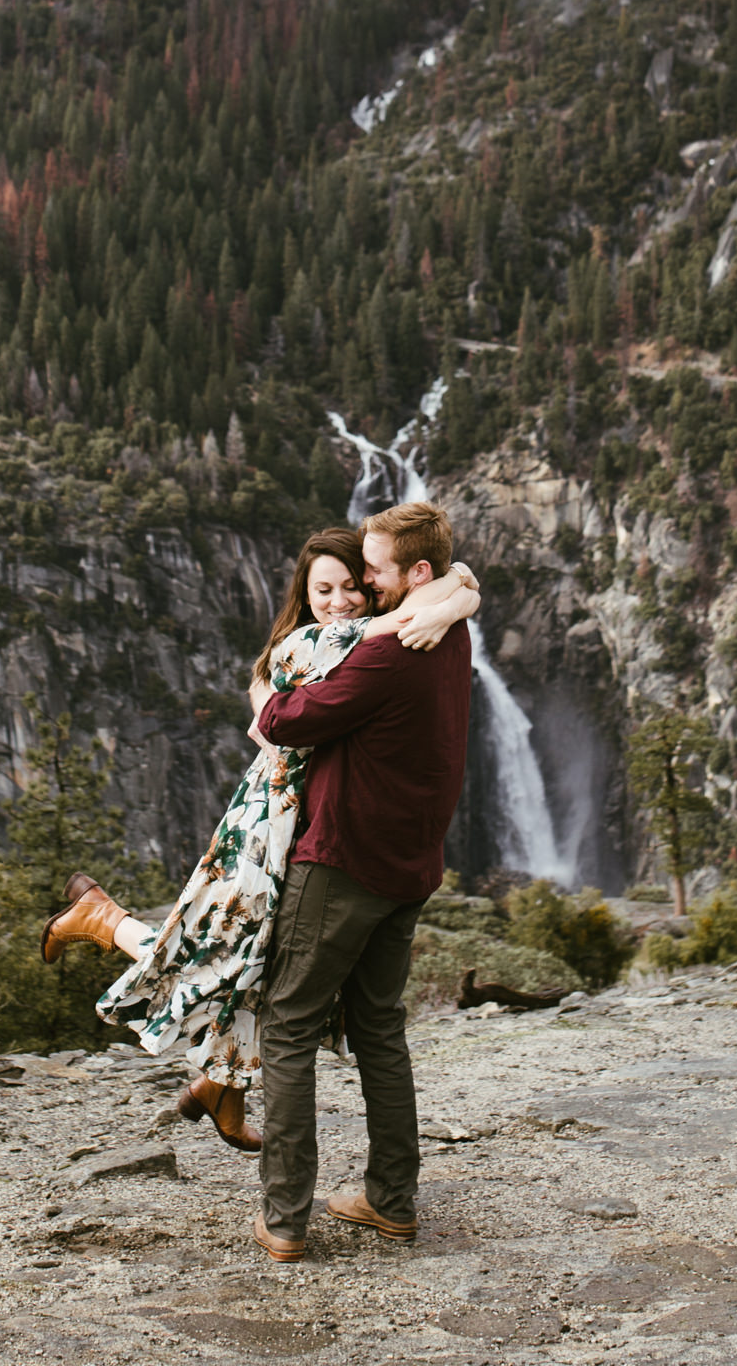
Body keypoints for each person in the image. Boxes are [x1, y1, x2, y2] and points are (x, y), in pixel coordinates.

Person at [38, 522, 479, 1154]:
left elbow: (410, 603)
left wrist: (457, 593)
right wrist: (456, 596)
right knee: (219, 952)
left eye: (354, 585)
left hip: (310, 819)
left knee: (255, 960)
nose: (341, 600)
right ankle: (103, 921)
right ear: (304, 594)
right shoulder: (309, 647)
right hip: (269, 822)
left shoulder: (343, 638)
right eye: (322, 589)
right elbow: (368, 635)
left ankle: (222, 1084)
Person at [249, 497, 473, 1262]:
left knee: (286, 1025)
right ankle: (391, 1201)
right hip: (412, 863)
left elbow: (283, 721)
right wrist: (459, 589)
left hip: (345, 861)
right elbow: (460, 580)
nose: (365, 588)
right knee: (378, 1028)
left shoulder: (383, 652)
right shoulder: (446, 624)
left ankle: (284, 1220)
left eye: (372, 573)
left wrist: (261, 691)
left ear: (415, 572)